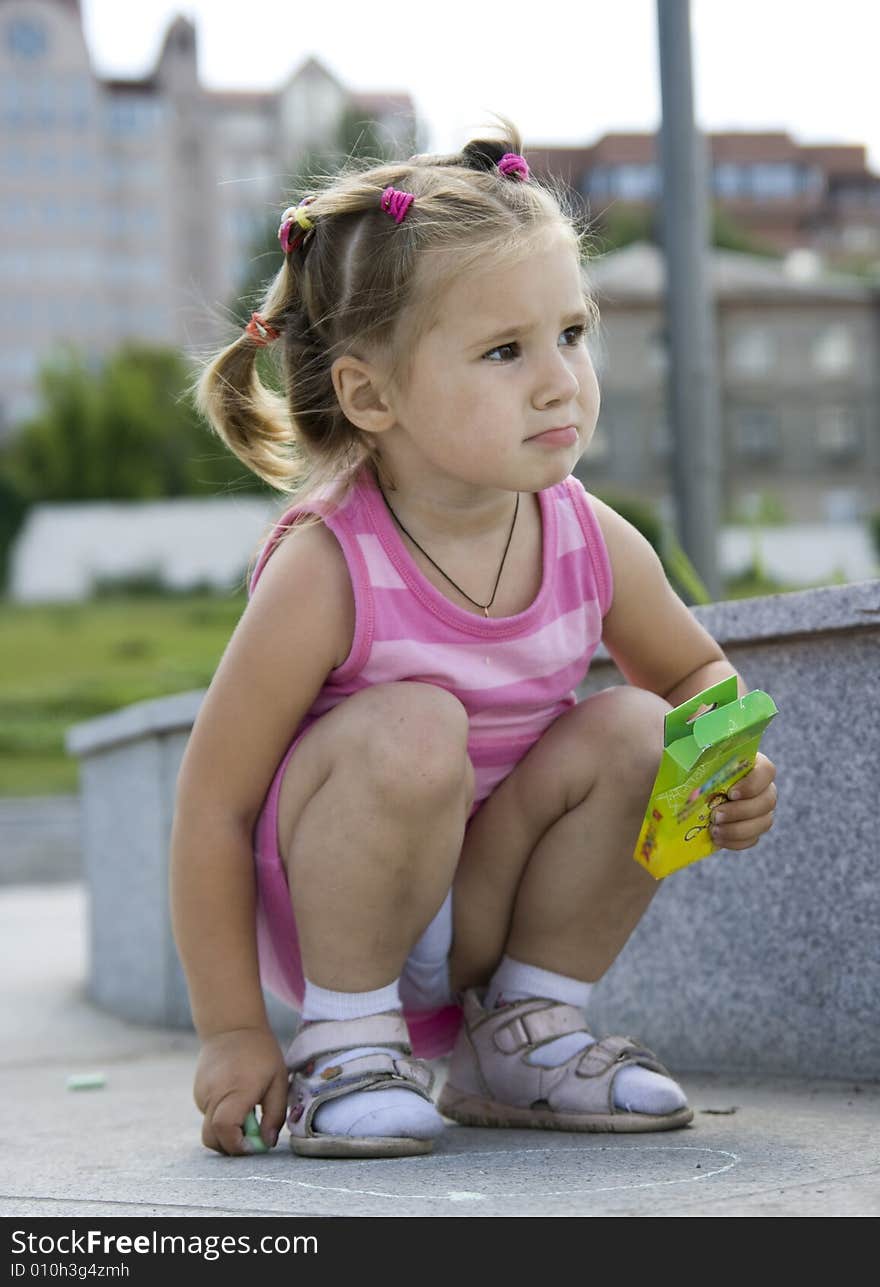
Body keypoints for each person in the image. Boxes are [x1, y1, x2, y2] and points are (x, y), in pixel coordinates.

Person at [170, 120, 778, 1160]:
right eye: (505, 351)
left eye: (572, 335)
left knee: (641, 725)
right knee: (414, 724)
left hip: (493, 892)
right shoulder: (328, 566)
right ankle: (346, 1045)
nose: (558, 383)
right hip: (350, 904)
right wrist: (231, 1031)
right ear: (370, 393)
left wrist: (729, 763)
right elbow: (213, 808)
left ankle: (524, 1035)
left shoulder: (590, 535)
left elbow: (691, 675)